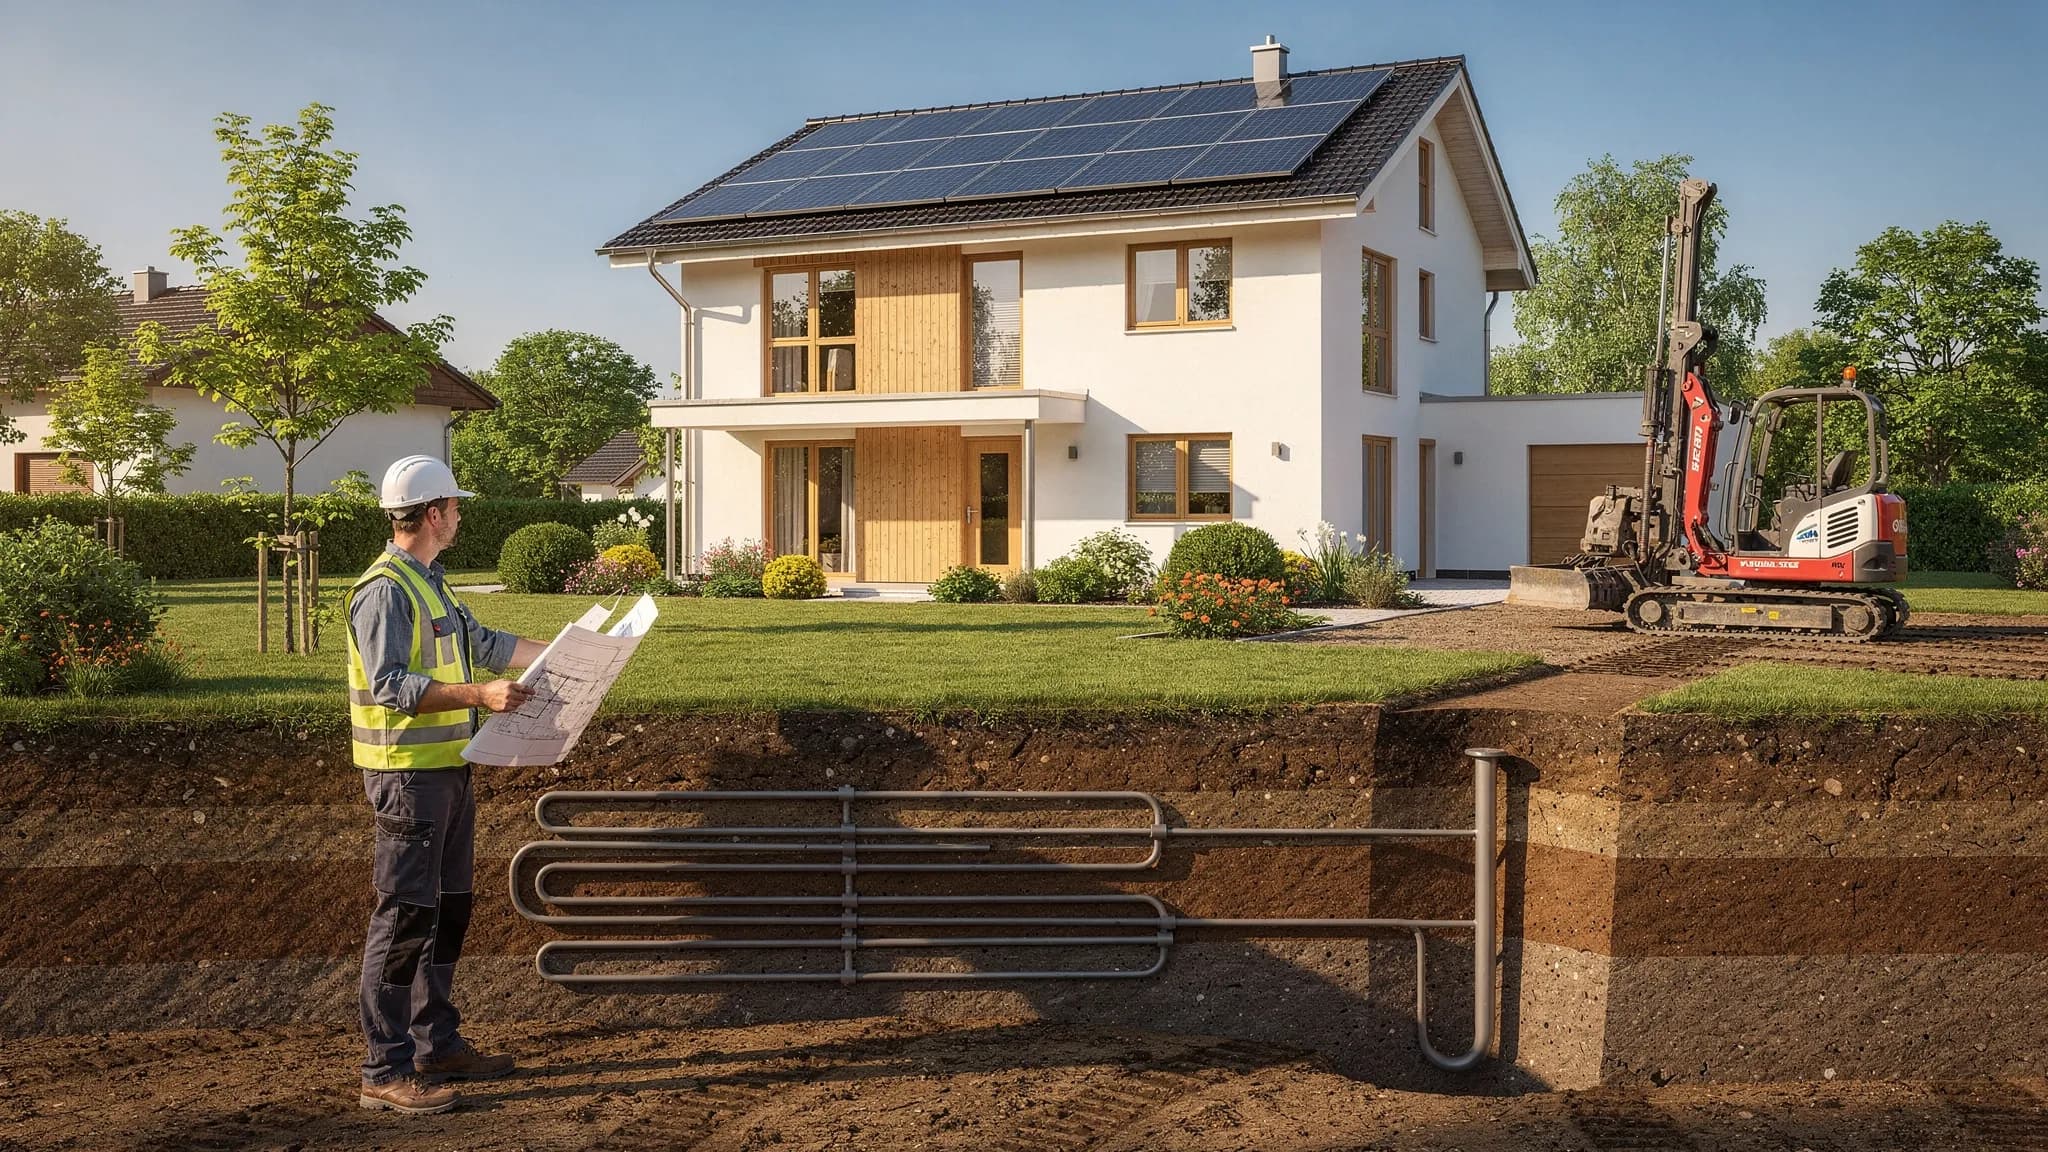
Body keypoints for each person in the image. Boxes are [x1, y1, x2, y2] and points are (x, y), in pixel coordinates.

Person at [348, 455, 546, 1115]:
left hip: (450, 771)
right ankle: (384, 1069)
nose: (460, 515)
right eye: (455, 507)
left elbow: (485, 642)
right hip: (408, 778)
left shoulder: (430, 581)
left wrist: (571, 652)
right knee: (406, 918)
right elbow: (391, 686)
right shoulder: (386, 591)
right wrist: (480, 695)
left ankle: (439, 1043)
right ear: (433, 514)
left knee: (448, 911)